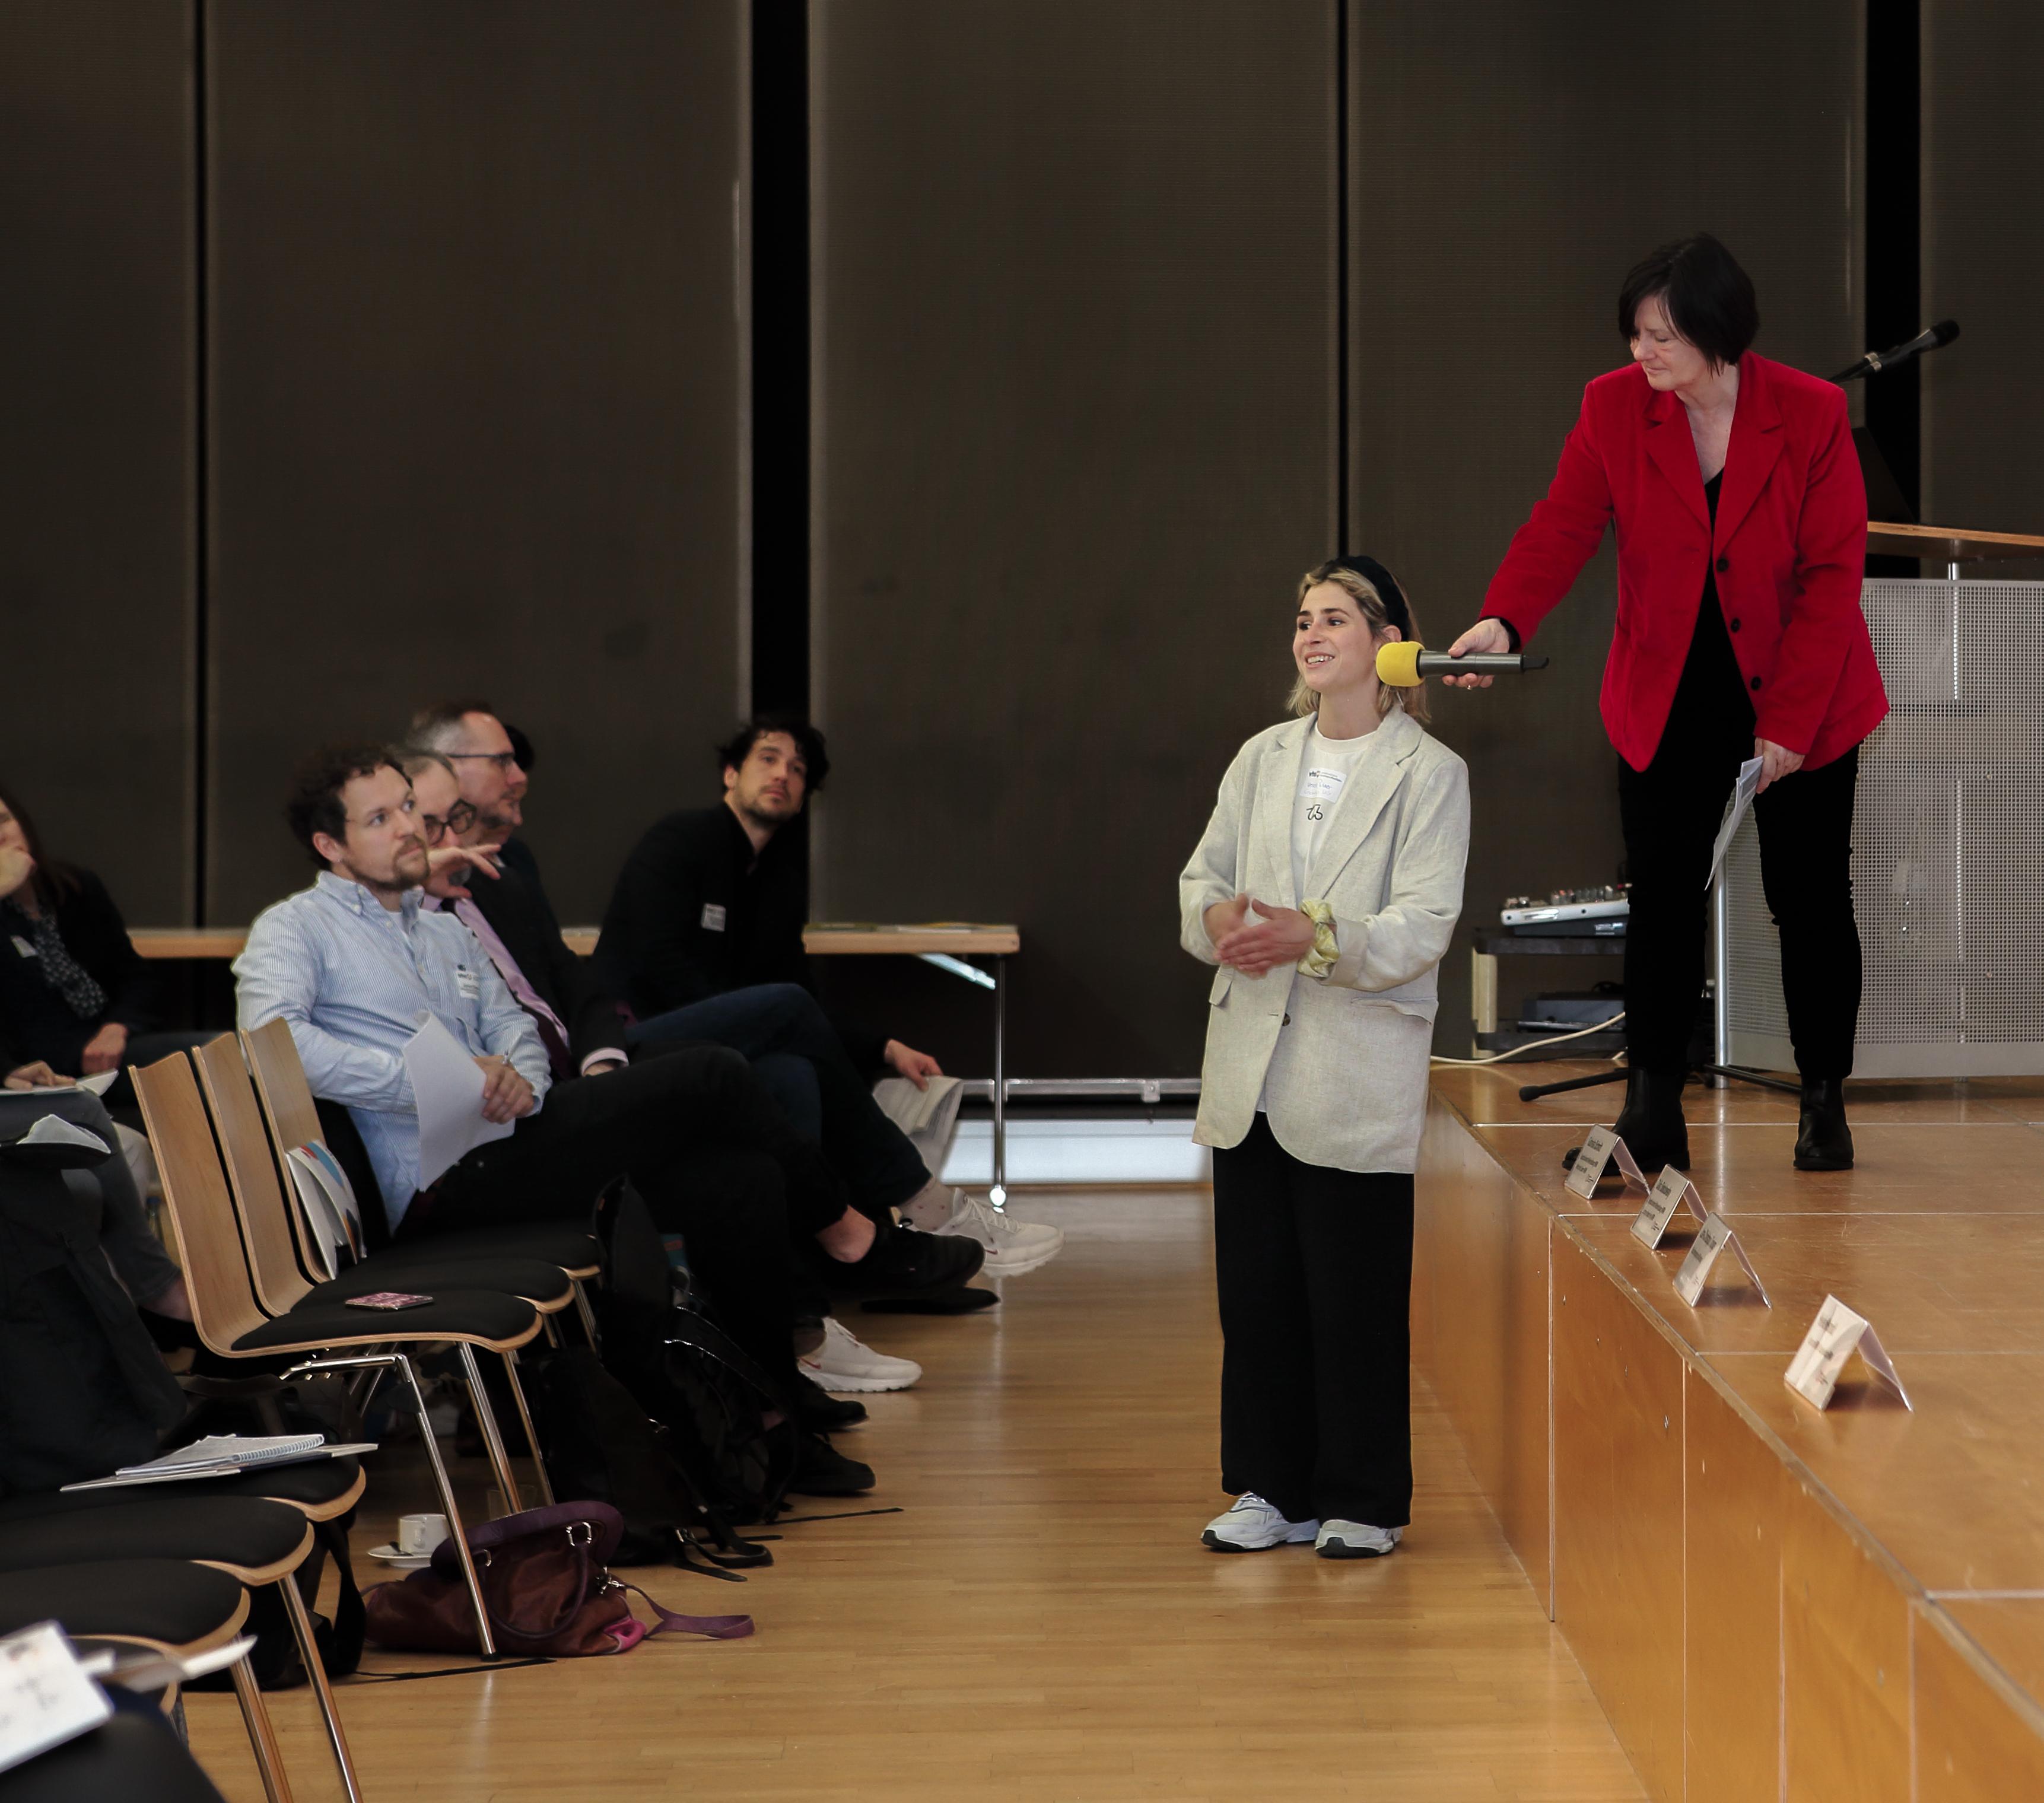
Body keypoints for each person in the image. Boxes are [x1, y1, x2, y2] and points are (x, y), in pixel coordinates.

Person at [234, 746, 984, 1487]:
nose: (407, 827)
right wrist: (438, 1084)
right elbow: (274, 1046)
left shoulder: (442, 927)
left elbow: (514, 1026)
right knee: (713, 1072)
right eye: (380, 818)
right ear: (330, 845)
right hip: (439, 1185)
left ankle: (774, 1431)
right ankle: (853, 1235)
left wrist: (520, 1083)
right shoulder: (295, 928)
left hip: (512, 1140)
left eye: (407, 807)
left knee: (741, 1180)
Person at [1445, 234, 1882, 1172]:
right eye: (1636, 333)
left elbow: (1831, 576)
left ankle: (1823, 1096)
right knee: (1664, 903)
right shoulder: (1611, 408)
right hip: (1669, 689)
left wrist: (1790, 727)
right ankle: (1651, 1105)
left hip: (1803, 692)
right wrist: (1504, 619)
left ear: (1719, 334)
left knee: (1807, 899)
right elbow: (1561, 524)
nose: (1640, 353)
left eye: (1661, 336)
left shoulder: (1809, 412)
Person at [402, 747, 925, 1397]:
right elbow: (451, 1048)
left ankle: (781, 1383)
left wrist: (593, 1065)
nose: (453, 842)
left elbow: (560, 991)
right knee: (719, 1070)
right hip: (493, 1141)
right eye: (429, 826)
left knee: (760, 1143)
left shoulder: (493, 883)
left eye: (455, 819)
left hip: (568, 1078)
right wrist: (541, 1081)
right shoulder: (397, 926)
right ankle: (863, 1230)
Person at [1181, 557, 1468, 1560]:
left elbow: (1425, 922)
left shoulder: (1429, 771)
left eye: (1335, 618)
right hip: (1250, 1057)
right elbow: (1201, 877)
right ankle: (1272, 1488)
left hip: (1354, 1063)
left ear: (1388, 640)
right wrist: (1216, 916)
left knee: (1352, 1295)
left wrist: (1318, 936)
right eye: (1303, 618)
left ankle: (1361, 1496)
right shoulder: (1260, 755)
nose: (1311, 634)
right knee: (1255, 1294)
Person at [592, 714, 1064, 1276]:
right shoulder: (679, 842)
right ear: (729, 773)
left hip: (719, 1042)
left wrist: (883, 1047)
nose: (782, 774)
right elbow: (658, 964)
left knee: (794, 1072)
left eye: (798, 769)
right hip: (628, 1043)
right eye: (767, 759)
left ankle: (803, 1274)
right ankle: (920, 1199)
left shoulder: (778, 884)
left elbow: (800, 1001)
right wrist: (750, 1020)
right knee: (780, 1013)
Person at [0, 783, 196, 1092]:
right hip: (41, 1073)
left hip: (111, 1050)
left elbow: (136, 978)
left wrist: (116, 1028)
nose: (2, 836)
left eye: (3, 821)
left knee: (224, 1056)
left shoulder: (74, 888)